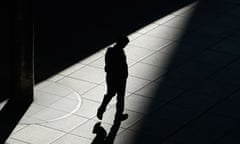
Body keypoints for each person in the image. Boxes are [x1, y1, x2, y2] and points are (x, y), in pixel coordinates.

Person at [97, 35, 129, 121]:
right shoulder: (117, 52)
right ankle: (105, 109)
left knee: (114, 95)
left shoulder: (111, 51)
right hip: (117, 77)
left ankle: (105, 110)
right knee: (117, 95)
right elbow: (117, 65)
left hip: (115, 76)